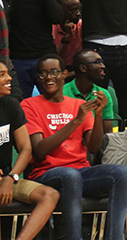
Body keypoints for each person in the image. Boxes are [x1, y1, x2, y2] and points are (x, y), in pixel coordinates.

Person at [23, 54, 127, 240]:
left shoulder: (79, 105)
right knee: (70, 175)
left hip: (80, 172)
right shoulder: (29, 105)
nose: (48, 77)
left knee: (122, 173)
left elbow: (94, 147)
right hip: (46, 174)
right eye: (42, 74)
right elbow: (39, 151)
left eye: (54, 72)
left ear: (64, 74)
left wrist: (98, 115)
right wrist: (75, 121)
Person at [0, 60, 58, 240]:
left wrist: (11, 177)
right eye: (2, 75)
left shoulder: (10, 105)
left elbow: (26, 149)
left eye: (7, 73)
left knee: (49, 195)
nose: (9, 78)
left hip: (7, 178)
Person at [65, 50, 118, 134]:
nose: (103, 66)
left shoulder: (103, 94)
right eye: (98, 62)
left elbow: (107, 133)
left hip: (95, 140)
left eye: (102, 62)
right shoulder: (63, 92)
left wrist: (98, 113)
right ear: (83, 68)